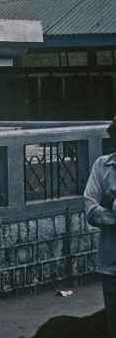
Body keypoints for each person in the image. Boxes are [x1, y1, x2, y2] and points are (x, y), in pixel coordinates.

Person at [84, 116, 116, 338]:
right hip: (111, 262)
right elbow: (90, 209)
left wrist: (111, 202)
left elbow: (101, 207)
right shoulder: (102, 166)